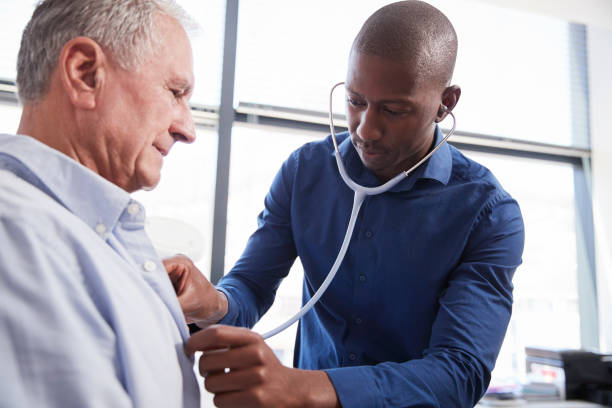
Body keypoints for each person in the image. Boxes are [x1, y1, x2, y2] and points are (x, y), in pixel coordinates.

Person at [166, 1, 525, 407]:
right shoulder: (306, 171)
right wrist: (211, 301)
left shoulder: (489, 214)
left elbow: (460, 372)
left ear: (447, 102)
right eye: (356, 101)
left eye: (394, 109)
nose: (366, 129)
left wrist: (305, 387)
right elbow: (249, 288)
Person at [0, 0, 201, 406]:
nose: (187, 129)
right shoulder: (17, 237)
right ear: (84, 74)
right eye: (175, 92)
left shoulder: (87, 236)